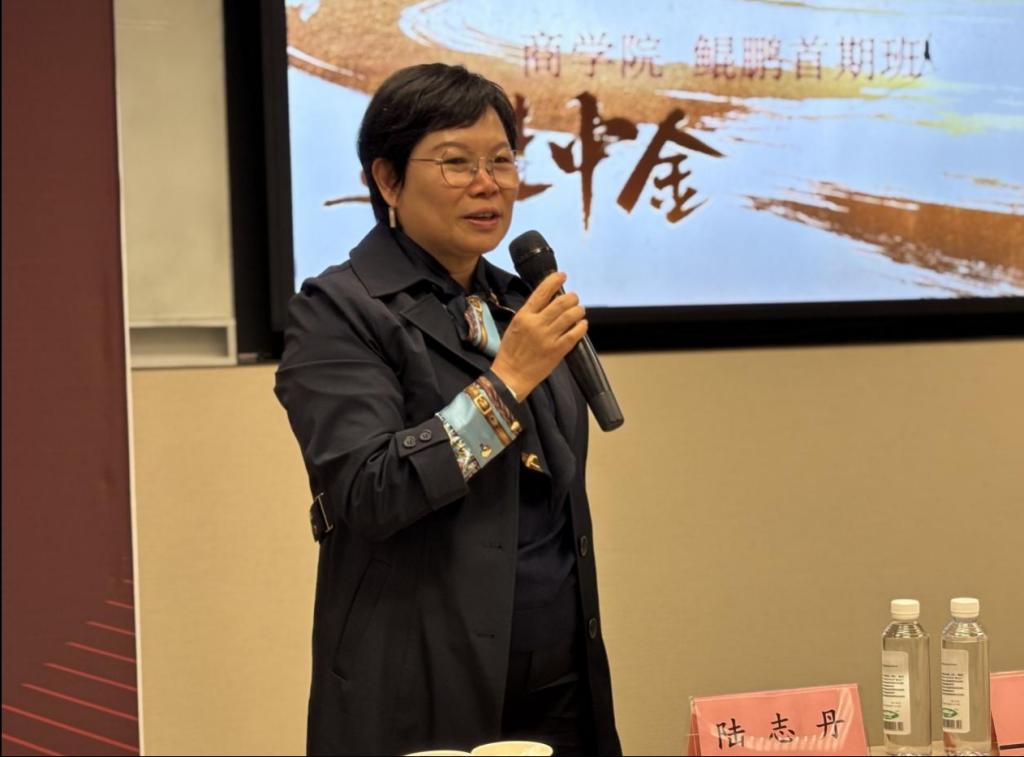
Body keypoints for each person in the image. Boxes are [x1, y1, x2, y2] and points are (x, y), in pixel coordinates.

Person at [275, 63, 621, 757]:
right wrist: (506, 380)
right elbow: (371, 491)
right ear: (387, 180)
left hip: (560, 676)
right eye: (456, 162)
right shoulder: (339, 311)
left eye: (502, 160)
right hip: (421, 682)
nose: (488, 183)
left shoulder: (515, 302)